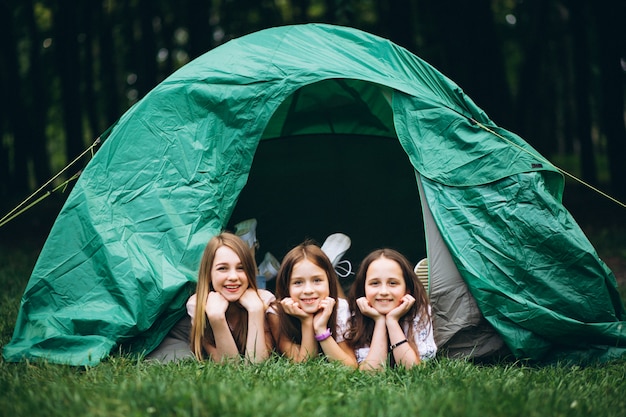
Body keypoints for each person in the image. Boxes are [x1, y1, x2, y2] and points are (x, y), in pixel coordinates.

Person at [187, 232, 275, 362]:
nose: (233, 277)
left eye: (241, 268)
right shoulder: (198, 304)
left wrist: (256, 310)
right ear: (209, 273)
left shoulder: (264, 300)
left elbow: (257, 363)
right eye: (222, 268)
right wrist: (216, 318)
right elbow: (230, 366)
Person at [268, 241, 357, 368]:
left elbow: (350, 366)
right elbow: (303, 363)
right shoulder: (276, 312)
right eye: (298, 282)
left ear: (329, 281)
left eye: (317, 280)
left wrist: (321, 329)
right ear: (286, 286)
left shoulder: (341, 308)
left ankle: (331, 269)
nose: (308, 290)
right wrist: (307, 322)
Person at [345, 248, 436, 370]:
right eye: (375, 283)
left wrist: (392, 321)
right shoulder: (354, 315)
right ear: (364, 288)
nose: (383, 292)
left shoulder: (420, 313)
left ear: (407, 289)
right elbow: (372, 373)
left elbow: (413, 370)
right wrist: (379, 321)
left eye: (393, 283)